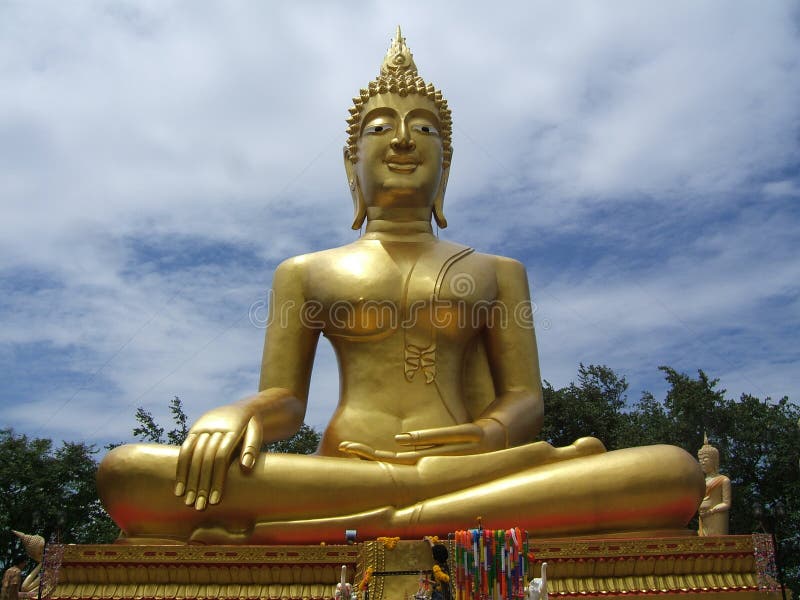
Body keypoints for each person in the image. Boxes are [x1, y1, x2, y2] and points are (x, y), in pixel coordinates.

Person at [98, 28, 704, 545]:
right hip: (344, 473)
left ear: (448, 165)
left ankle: (386, 519)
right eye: (381, 126)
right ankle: (426, 514)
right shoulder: (305, 272)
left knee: (673, 473)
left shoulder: (497, 271)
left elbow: (525, 401)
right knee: (129, 474)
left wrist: (488, 434)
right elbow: (285, 401)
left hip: (476, 468)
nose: (404, 139)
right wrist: (239, 412)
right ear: (350, 163)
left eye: (426, 129)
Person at [697, 435, 731, 536]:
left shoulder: (723, 480)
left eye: (705, 459)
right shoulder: (700, 481)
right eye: (700, 459)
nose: (702, 462)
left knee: (716, 543)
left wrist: (711, 511)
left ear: (714, 460)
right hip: (703, 517)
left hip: (717, 517)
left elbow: (726, 503)